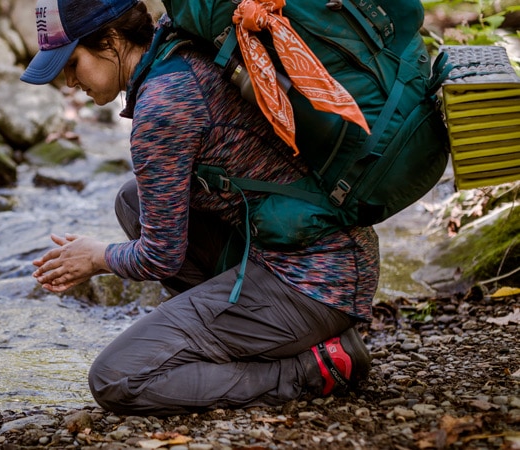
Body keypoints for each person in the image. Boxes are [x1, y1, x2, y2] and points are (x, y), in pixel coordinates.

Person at [21, 0, 377, 416]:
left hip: (314, 283)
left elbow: (160, 257)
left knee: (117, 379)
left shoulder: (162, 107)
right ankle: (281, 338)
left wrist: (97, 257)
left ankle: (313, 367)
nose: (67, 81)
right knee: (132, 202)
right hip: (329, 254)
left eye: (71, 62)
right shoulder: (180, 46)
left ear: (111, 39)